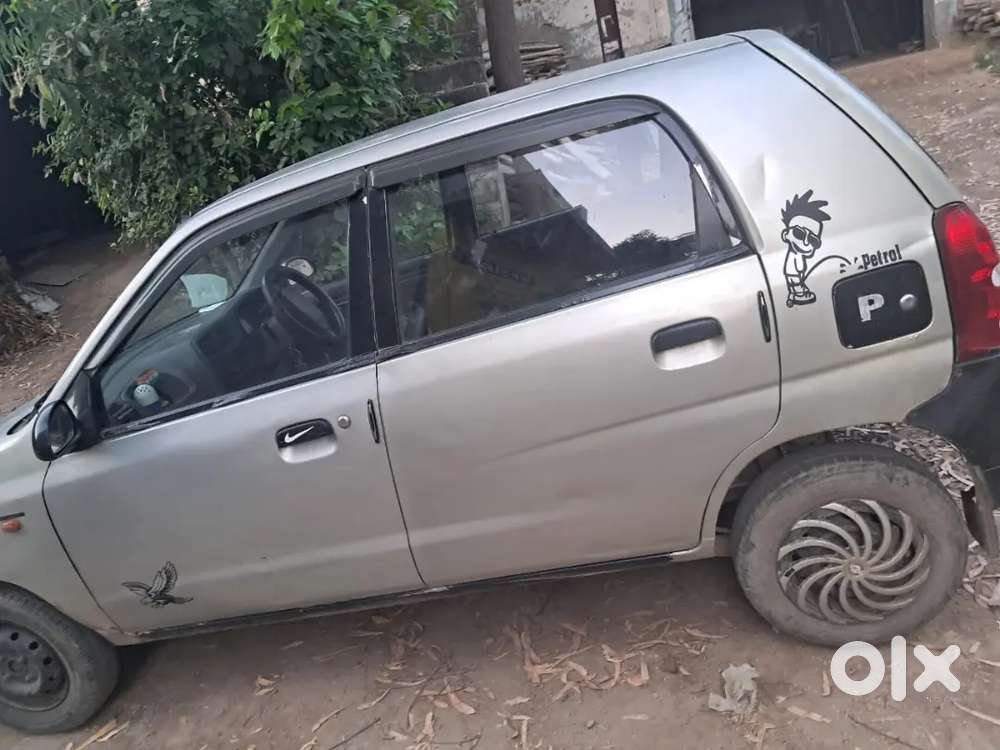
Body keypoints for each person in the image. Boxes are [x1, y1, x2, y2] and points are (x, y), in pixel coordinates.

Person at [781, 190, 831, 307]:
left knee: (798, 285)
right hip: (793, 275)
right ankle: (797, 294)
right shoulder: (793, 257)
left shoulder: (798, 256)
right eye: (799, 233)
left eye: (813, 240)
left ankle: (796, 293)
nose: (805, 242)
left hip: (796, 275)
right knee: (796, 285)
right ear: (786, 234)